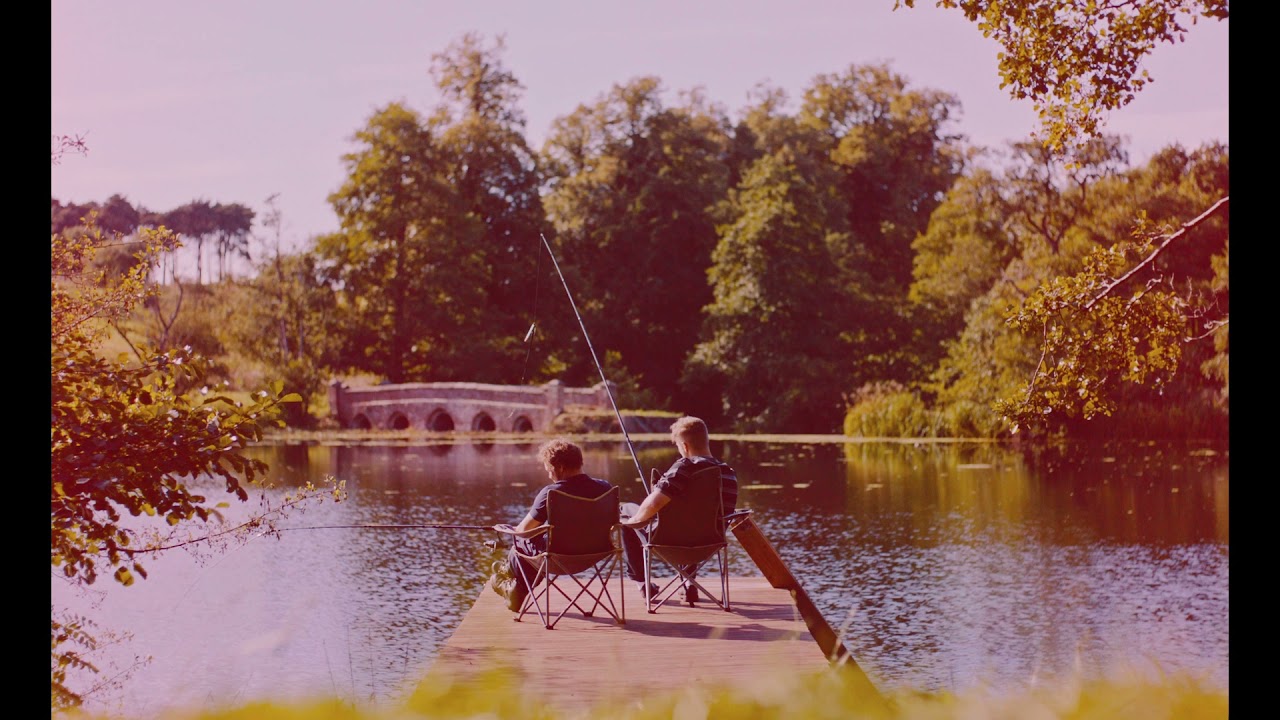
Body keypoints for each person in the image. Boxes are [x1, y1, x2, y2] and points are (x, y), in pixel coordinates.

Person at [619, 416, 738, 604]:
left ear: (684, 446)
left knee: (626, 512)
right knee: (695, 519)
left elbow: (653, 505)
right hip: (710, 542)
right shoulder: (728, 473)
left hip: (669, 541)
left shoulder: (685, 467)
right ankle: (689, 584)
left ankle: (643, 584)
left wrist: (632, 522)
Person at [489, 438, 616, 612]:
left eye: (549, 470)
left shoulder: (551, 493)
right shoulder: (605, 488)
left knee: (523, 539)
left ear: (561, 468)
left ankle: (511, 576)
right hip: (597, 554)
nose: (549, 475)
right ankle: (513, 583)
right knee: (534, 543)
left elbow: (523, 530)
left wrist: (504, 529)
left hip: (558, 559)